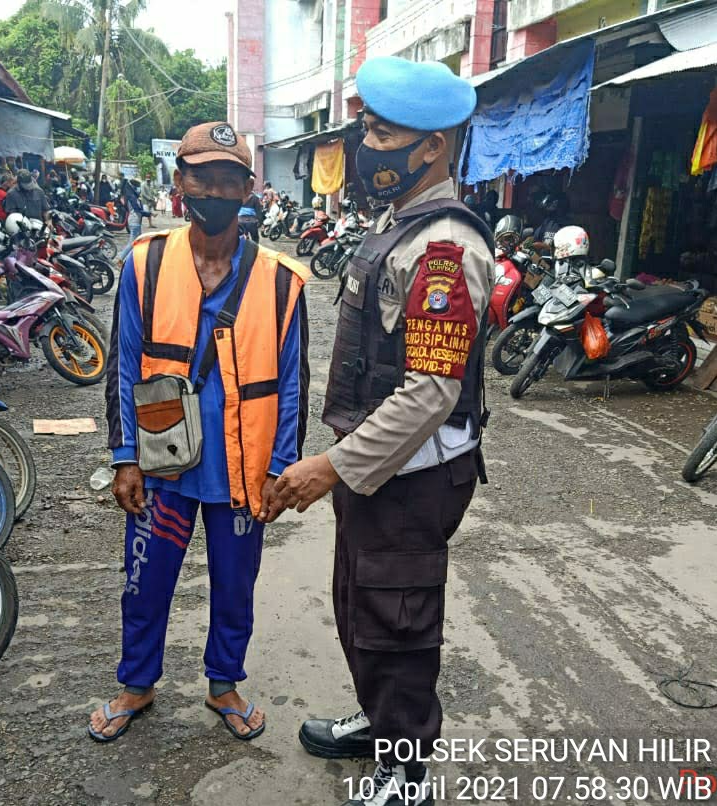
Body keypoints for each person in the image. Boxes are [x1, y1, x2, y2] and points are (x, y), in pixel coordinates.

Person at [272, 56, 495, 806]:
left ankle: (404, 770)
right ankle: (379, 723)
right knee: (360, 604)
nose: (366, 146)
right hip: (382, 469)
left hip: (414, 474)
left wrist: (330, 465)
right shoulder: (399, 227)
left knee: (396, 620)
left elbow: (430, 393)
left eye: (380, 130)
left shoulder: (442, 250)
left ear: (431, 145)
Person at [95, 121, 311, 744]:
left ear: (248, 190)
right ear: (180, 182)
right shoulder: (145, 263)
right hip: (164, 465)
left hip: (243, 470)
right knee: (146, 580)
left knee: (235, 584)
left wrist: (282, 466)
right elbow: (124, 360)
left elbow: (293, 384)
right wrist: (124, 457)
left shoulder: (281, 281)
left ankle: (225, 685)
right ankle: (136, 683)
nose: (213, 190)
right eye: (202, 177)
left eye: (228, 179)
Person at [117, 178, 146, 265]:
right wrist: (150, 214)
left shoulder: (132, 195)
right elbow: (138, 210)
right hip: (134, 221)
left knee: (140, 241)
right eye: (137, 186)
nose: (139, 188)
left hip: (135, 220)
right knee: (132, 242)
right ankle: (120, 259)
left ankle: (136, 258)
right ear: (133, 187)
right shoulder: (132, 197)